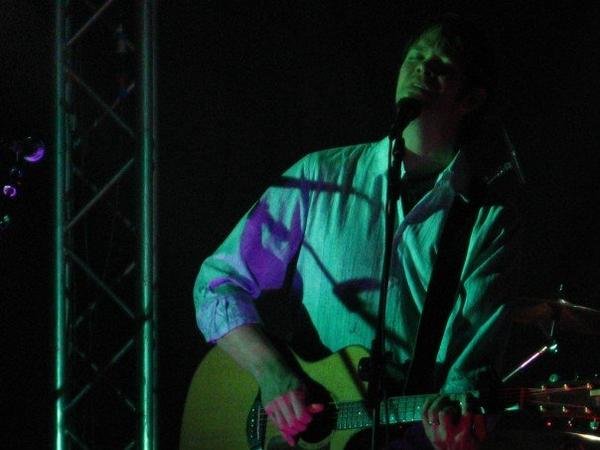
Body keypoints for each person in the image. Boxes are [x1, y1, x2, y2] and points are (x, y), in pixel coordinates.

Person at [194, 13, 520, 450]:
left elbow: (472, 368)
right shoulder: (320, 175)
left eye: (442, 66)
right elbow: (216, 283)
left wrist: (458, 427)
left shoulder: (485, 218)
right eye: (415, 57)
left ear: (472, 99)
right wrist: (272, 373)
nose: (421, 68)